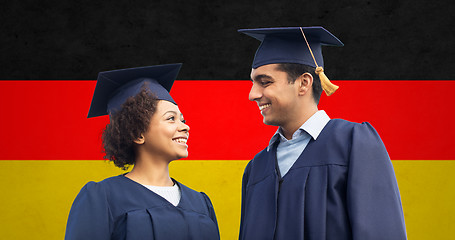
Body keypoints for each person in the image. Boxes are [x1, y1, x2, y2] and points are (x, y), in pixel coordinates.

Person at [238, 27, 406, 239]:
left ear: (303, 83)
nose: (253, 94)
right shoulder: (256, 169)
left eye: (265, 82)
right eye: (252, 83)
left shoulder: (353, 144)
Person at [65, 64, 220, 240]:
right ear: (137, 133)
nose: (185, 127)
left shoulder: (200, 204)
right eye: (171, 119)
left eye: (183, 119)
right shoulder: (102, 198)